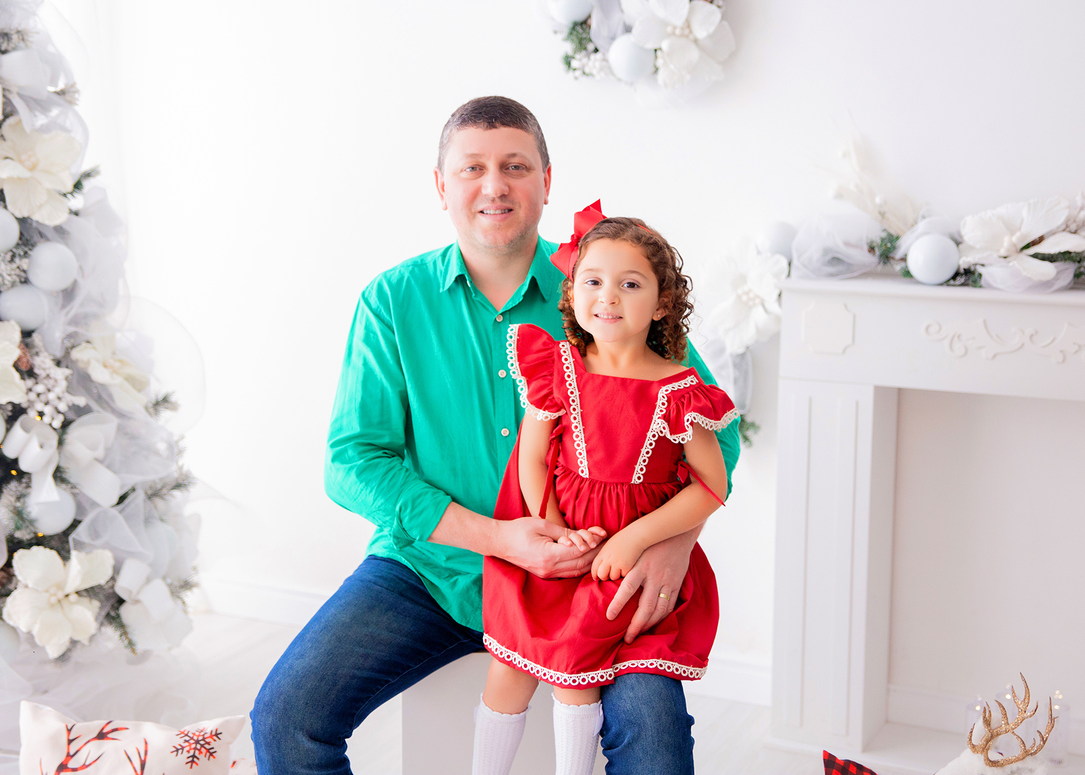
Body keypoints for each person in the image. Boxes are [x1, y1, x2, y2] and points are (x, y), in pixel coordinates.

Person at [250, 96, 740, 775]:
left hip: (597, 582)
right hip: (434, 573)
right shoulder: (393, 301)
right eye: (472, 168)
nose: (494, 185)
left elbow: (714, 427)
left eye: (515, 166)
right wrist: (496, 538)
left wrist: (671, 539)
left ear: (546, 181)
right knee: (285, 718)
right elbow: (352, 460)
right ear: (440, 185)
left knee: (654, 745)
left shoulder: (606, 285)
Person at [473, 205, 737, 775]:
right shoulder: (557, 367)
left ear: (662, 303)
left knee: (575, 675)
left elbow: (712, 485)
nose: (608, 297)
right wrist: (555, 529)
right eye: (593, 281)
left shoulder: (681, 388)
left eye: (630, 284)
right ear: (572, 292)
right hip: (561, 545)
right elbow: (535, 459)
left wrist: (635, 538)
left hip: (627, 562)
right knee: (508, 669)